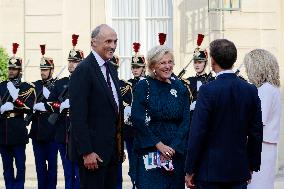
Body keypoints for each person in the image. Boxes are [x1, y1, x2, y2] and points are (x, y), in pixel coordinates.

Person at [184, 39, 263, 189]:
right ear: (234, 60)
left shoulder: (207, 90)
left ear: (212, 61)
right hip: (238, 169)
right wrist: (251, 165)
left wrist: (189, 169)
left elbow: (198, 132)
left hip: (210, 172)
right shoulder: (250, 90)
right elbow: (256, 132)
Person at [68, 24, 124, 189]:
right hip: (93, 156)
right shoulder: (83, 70)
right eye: (108, 41)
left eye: (115, 41)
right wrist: (86, 152)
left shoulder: (111, 69)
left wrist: (119, 147)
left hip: (111, 153)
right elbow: (78, 116)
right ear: (93, 42)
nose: (113, 46)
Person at [131, 44, 190, 189]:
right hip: (150, 152)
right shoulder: (144, 86)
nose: (167, 66)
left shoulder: (180, 87)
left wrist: (172, 148)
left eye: (170, 62)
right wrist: (159, 145)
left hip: (175, 154)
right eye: (162, 62)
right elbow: (138, 119)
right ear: (152, 66)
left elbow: (185, 121)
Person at [45, 34, 84, 189]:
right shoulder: (61, 83)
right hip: (63, 132)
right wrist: (60, 106)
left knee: (80, 173)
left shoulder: (87, 82)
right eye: (70, 61)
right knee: (68, 172)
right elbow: (49, 103)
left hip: (80, 134)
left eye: (75, 61)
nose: (72, 64)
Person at [0, 43, 36, 189]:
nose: (11, 71)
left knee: (20, 166)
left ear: (20, 71)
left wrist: (15, 100)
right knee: (7, 167)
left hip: (18, 130)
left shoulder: (27, 87)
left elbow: (29, 108)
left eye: (14, 69)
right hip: (3, 132)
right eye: (10, 68)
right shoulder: (2, 86)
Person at [244, 49, 281, 189]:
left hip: (261, 147)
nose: (247, 72)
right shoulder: (273, 88)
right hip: (266, 145)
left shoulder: (265, 90)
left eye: (249, 67)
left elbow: (258, 121)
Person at [29, 44, 58, 189]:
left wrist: (48, 103)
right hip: (37, 133)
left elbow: (59, 105)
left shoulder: (57, 86)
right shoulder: (34, 86)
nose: (43, 72)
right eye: (41, 70)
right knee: (40, 168)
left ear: (52, 70)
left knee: (52, 168)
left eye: (45, 69)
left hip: (52, 132)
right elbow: (28, 102)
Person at [110, 55, 133, 189]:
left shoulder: (124, 86)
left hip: (119, 133)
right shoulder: (99, 83)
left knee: (117, 173)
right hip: (103, 134)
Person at [126, 42, 146, 188]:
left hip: (145, 130)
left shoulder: (149, 83)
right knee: (133, 164)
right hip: (131, 130)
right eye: (133, 67)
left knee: (145, 163)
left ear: (143, 68)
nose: (135, 70)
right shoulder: (126, 85)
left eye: (138, 67)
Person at [186, 49, 214, 117]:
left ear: (205, 63)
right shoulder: (189, 81)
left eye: (200, 62)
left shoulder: (212, 81)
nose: (197, 65)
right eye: (195, 62)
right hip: (192, 118)